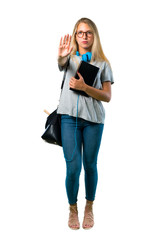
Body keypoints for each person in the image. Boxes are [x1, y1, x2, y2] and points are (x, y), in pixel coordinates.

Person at [57, 17, 114, 230]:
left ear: (94, 36)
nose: (84, 36)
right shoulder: (68, 59)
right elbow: (61, 63)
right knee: (73, 168)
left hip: (93, 122)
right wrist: (62, 56)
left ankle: (89, 207)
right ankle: (73, 209)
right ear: (75, 36)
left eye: (88, 32)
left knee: (90, 166)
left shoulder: (103, 64)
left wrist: (84, 87)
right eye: (80, 33)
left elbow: (107, 96)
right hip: (69, 119)